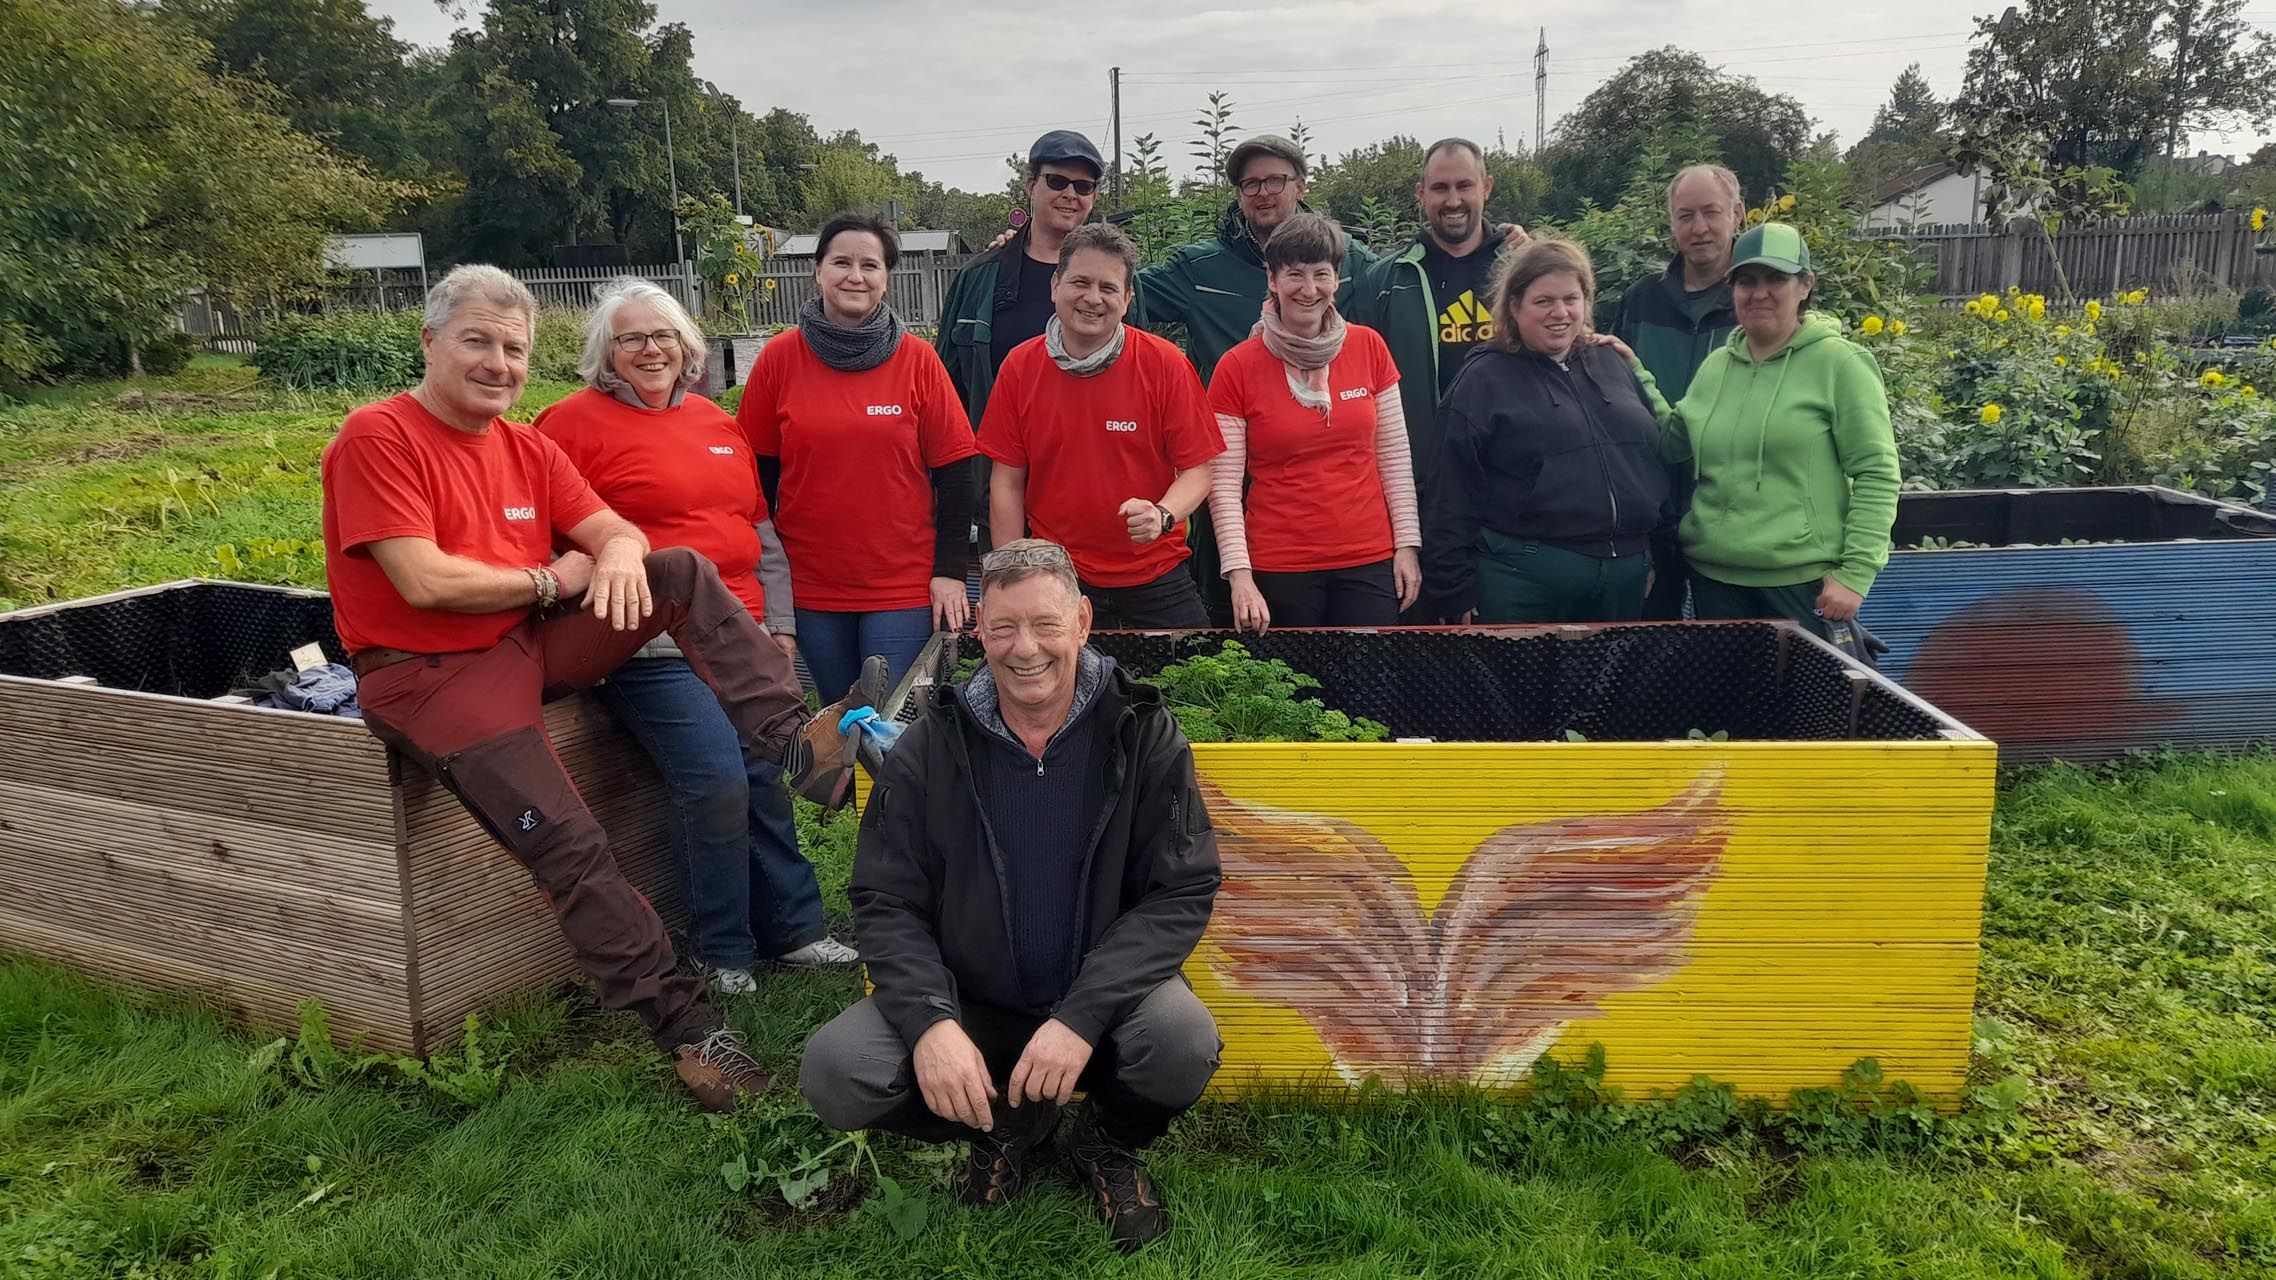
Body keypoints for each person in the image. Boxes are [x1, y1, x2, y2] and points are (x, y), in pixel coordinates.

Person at [321, 265, 872, 1112]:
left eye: (513, 348)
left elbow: (612, 528)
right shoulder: (379, 436)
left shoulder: (524, 447)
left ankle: (797, 744)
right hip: (429, 676)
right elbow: (425, 582)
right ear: (430, 342)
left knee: (678, 571)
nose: (498, 363)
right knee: (572, 845)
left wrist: (610, 553)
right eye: (477, 341)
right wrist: (550, 580)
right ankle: (687, 1028)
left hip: (522, 645)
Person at [799, 538, 1221, 1252]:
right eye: (1003, 629)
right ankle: (1003, 1126)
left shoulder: (1143, 731)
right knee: (839, 1073)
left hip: (1104, 1005)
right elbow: (884, 900)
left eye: (1045, 625)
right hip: (974, 1005)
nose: (1025, 649)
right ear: (977, 631)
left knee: (1180, 1042)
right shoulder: (931, 747)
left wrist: (1084, 1015)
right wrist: (932, 1024)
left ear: (1083, 622)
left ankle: (1105, 1143)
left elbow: (1181, 890)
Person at [535, 279, 856, 991]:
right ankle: (721, 948)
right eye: (631, 338)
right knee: (715, 780)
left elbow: (759, 533)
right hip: (651, 646)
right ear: (605, 353)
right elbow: (552, 541)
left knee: (766, 776)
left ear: (688, 348)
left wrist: (779, 629)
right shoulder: (568, 426)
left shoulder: (717, 422)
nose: (651, 350)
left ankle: (795, 931)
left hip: (738, 634)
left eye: (664, 336)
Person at [1134, 134, 1377, 623]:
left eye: (1274, 180)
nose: (1263, 192)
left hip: (1318, 487)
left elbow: (1408, 282)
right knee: (1237, 618)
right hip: (1225, 473)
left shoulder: (1351, 261)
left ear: (1300, 185)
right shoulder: (1199, 268)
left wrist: (1495, 246)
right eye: (1250, 184)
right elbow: (1114, 291)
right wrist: (1038, 249)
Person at [737, 213, 979, 698]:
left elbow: (957, 473)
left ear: (886, 279)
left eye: (869, 265)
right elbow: (752, 481)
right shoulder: (779, 360)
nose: (855, 275)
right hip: (811, 586)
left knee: (889, 727)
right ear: (818, 271)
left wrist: (949, 571)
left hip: (901, 585)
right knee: (835, 722)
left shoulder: (917, 360)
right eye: (841, 262)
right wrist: (760, 577)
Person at [1652, 223, 1900, 638]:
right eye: (1747, 280)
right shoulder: (1717, 366)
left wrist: (1856, 573)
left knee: (1807, 704)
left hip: (1800, 586)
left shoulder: (1840, 364)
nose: (1759, 292)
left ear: (1805, 286)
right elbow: (1672, 442)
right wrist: (1632, 374)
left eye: (1776, 279)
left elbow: (1877, 472)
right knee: (1727, 705)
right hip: (1715, 583)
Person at [979, 223, 1225, 628]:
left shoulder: (1165, 365)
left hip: (1154, 571)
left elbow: (1199, 469)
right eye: (1080, 282)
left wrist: (1163, 514)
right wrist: (1011, 574)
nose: (1093, 299)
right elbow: (1006, 481)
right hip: (1057, 573)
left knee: (1196, 683)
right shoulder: (1020, 368)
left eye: (1108, 288)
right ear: (1055, 285)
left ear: (1127, 299)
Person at [1425, 240, 1670, 623]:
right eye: (1543, 301)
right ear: (1514, 306)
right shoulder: (1483, 378)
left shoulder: (1613, 362)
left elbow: (1653, 460)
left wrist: (1659, 553)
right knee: (1520, 685)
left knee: (1611, 685)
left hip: (1626, 577)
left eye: (1572, 298)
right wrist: (1452, 588)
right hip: (1523, 581)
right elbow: (1450, 488)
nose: (1560, 313)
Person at [1206, 213, 1420, 629]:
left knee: (1370, 689)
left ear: (1337, 278)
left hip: (1370, 559)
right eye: (1294, 274)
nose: (1309, 289)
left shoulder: (1369, 347)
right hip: (1281, 566)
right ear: (1272, 278)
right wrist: (1240, 577)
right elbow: (1224, 485)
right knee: (1295, 692)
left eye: (1321, 274)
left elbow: (1394, 456)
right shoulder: (1237, 366)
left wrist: (1407, 546)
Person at [937, 130, 1107, 554]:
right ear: (1031, 184)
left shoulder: (1115, 284)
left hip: (1093, 485)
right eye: (1057, 181)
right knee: (1017, 608)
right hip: (1002, 484)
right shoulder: (978, 280)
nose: (1070, 194)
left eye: (1083, 186)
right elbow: (946, 392)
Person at [1346, 138, 1525, 508]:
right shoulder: (1385, 281)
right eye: (1440, 188)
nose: (1453, 201)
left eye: (1465, 186)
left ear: (1487, 188)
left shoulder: (1525, 270)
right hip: (1421, 488)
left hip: (1514, 482)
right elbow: (1356, 385)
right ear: (1421, 194)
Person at [1612, 164, 1744, 620]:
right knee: (1650, 645)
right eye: (1685, 215)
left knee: (1727, 650)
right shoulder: (1643, 300)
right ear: (1672, 223)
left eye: (1711, 212)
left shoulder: (1756, 302)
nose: (1699, 227)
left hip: (1730, 508)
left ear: (1737, 214)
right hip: (1653, 505)